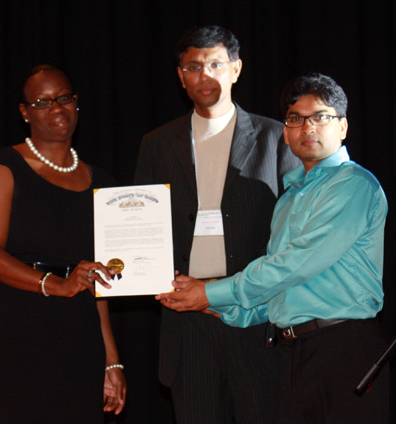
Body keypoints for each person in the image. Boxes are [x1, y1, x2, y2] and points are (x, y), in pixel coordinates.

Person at [157, 73, 389, 423]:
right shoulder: (289, 196)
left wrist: (212, 291)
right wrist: (217, 306)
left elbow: (297, 264)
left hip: (343, 347)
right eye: (296, 119)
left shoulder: (353, 184)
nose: (307, 127)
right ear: (285, 132)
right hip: (293, 353)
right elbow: (281, 289)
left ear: (342, 127)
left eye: (320, 117)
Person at [134, 25, 299, 423]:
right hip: (187, 323)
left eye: (215, 64)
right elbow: (140, 227)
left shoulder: (278, 138)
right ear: (180, 77)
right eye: (193, 66)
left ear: (236, 69)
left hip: (255, 319)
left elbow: (295, 236)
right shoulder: (156, 143)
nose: (204, 76)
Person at [0, 64, 126, 423]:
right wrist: (57, 285)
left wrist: (111, 361)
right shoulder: (3, 165)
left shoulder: (103, 183)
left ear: (76, 103)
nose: (57, 109)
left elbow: (100, 281)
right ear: (24, 112)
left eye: (64, 98)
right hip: (14, 330)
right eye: (42, 102)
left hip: (78, 337)